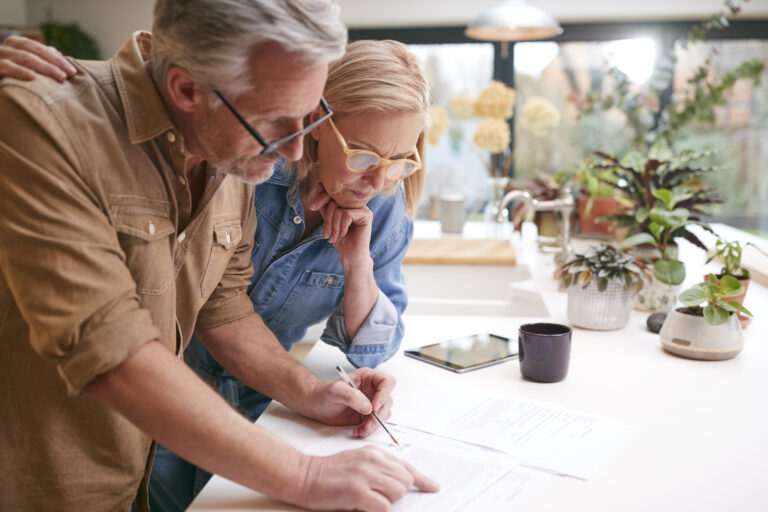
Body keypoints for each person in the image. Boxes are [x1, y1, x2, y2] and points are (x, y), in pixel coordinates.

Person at [0, 1, 438, 511]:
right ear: (187, 90)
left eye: (305, 117)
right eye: (276, 121)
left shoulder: (229, 147)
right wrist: (305, 475)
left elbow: (224, 305)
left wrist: (310, 393)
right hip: (48, 486)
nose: (297, 153)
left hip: (138, 477)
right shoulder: (47, 120)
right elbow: (109, 350)